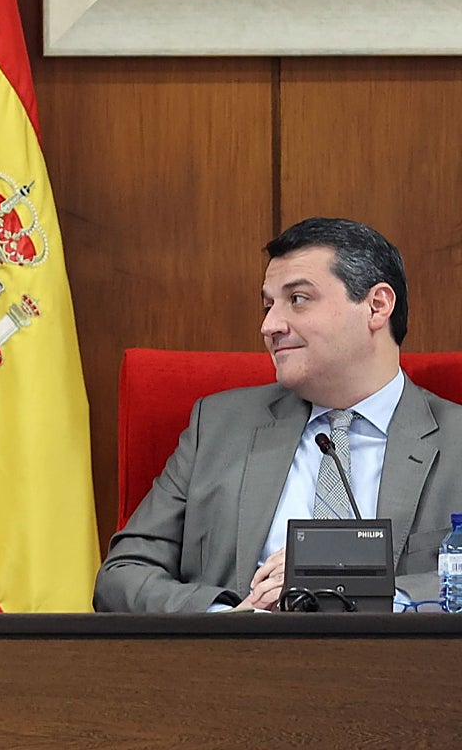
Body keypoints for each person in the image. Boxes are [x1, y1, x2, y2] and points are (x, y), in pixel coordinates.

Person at [94, 217, 462, 613]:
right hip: (238, 667)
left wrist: (349, 588)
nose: (269, 326)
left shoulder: (454, 440)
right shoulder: (217, 427)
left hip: (399, 672)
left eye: (298, 300)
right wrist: (228, 621)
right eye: (269, 305)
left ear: (376, 306)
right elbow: (123, 573)